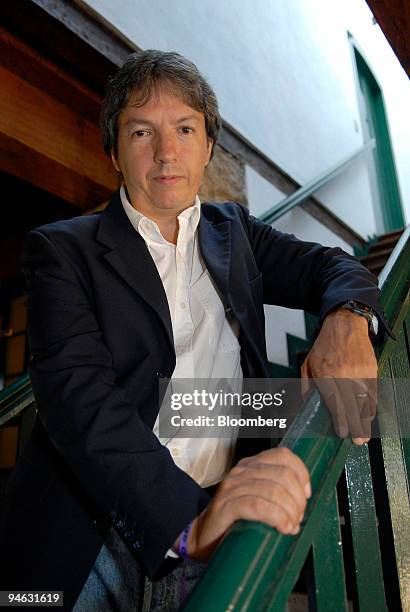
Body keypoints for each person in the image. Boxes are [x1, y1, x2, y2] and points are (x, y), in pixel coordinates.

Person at [0, 50, 390, 611]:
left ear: (208, 147)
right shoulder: (62, 250)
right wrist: (191, 525)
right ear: (113, 150)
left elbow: (334, 266)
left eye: (185, 128)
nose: (166, 152)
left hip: (226, 513)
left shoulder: (236, 233)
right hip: (91, 538)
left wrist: (348, 318)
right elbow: (81, 406)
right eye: (142, 132)